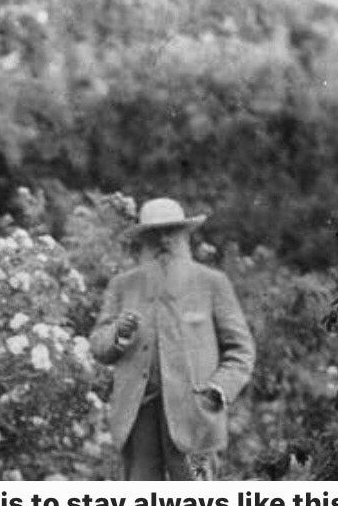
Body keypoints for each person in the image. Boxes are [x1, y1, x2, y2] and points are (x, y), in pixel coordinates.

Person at [90, 197, 255, 480]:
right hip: (138, 414)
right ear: (142, 240)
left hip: (194, 415)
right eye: (154, 234)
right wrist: (118, 332)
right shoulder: (123, 286)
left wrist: (218, 389)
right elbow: (98, 345)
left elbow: (241, 350)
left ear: (184, 235)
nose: (163, 240)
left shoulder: (211, 283)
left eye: (171, 231)